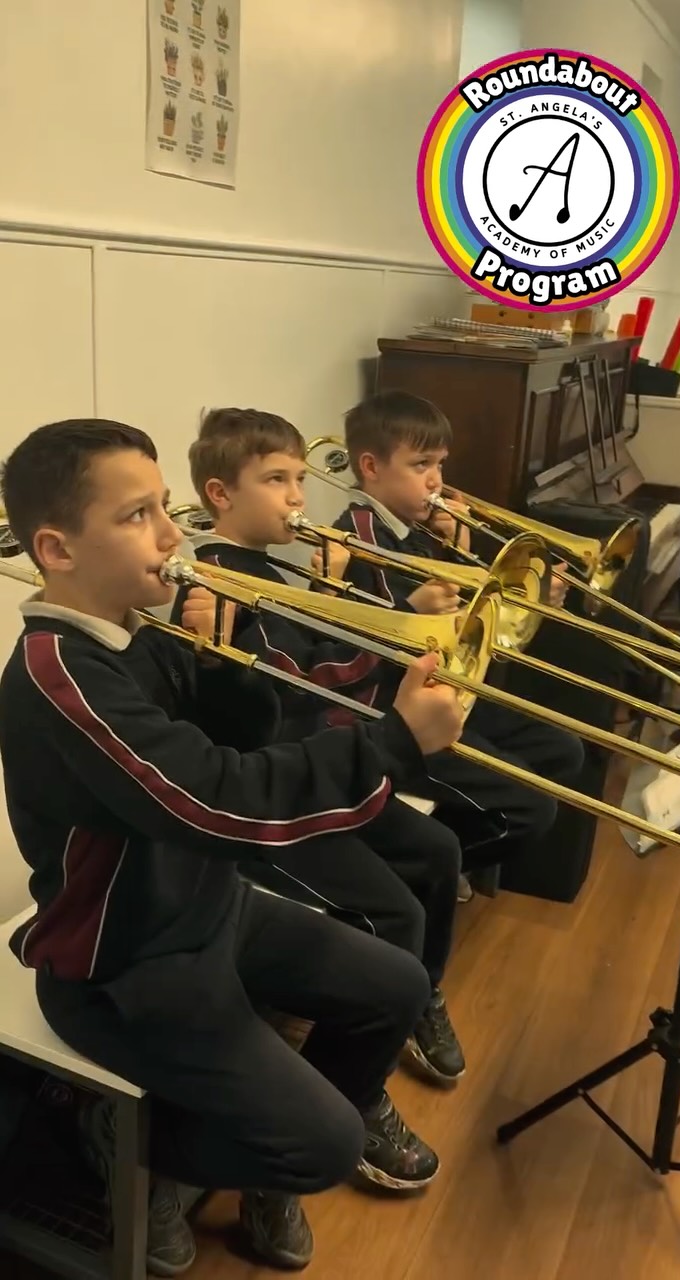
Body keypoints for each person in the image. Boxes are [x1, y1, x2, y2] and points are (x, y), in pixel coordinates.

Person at [0, 419, 464, 1274]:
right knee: (321, 1150)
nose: (173, 536)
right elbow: (211, 797)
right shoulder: (55, 674)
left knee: (394, 984)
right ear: (57, 549)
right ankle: (139, 1149)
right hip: (123, 961)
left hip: (205, 905)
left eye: (162, 509)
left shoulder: (137, 635)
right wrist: (392, 743)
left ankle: (257, 1129)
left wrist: (221, 664)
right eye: (139, 515)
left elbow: (244, 741)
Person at [173, 406, 465, 1086]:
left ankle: (421, 995)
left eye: (300, 479)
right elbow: (315, 682)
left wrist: (332, 592)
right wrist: (357, 598)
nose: (299, 498)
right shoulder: (221, 584)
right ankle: (350, 1084)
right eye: (277, 480)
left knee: (439, 853)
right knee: (390, 911)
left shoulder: (270, 574)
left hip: (320, 770)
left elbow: (316, 664)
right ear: (221, 495)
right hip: (274, 801)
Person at [332, 389, 586, 881]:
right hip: (395, 708)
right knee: (533, 808)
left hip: (445, 687)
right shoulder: (357, 535)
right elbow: (402, 639)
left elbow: (465, 625)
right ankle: (426, 875)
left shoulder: (418, 527)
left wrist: (469, 557)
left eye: (440, 464)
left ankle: (455, 846)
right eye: (421, 463)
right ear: (371, 467)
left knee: (563, 750)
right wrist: (417, 604)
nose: (436, 481)